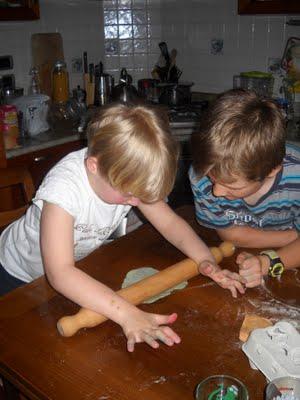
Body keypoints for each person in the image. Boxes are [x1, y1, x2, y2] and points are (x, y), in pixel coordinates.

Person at [0, 103, 244, 352]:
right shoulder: (64, 191)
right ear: (94, 166)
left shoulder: (121, 175)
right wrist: (128, 314)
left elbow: (169, 222)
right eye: (130, 196)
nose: (137, 203)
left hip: (65, 271)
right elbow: (61, 273)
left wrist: (205, 259)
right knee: (17, 346)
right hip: (15, 275)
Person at [189, 89, 300, 290]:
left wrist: (267, 262)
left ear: (272, 170)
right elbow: (231, 235)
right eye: (212, 179)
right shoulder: (200, 173)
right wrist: (293, 236)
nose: (217, 192)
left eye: (232, 186)